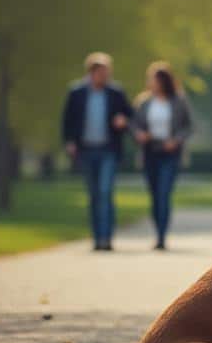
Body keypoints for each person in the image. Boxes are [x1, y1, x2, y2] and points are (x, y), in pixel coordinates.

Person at [62, 52, 134, 251]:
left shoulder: (116, 93)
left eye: (107, 72)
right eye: (102, 72)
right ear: (92, 73)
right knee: (94, 194)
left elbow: (130, 117)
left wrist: (123, 121)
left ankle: (106, 238)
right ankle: (97, 237)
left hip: (108, 150)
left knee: (105, 191)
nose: (106, 76)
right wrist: (69, 141)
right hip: (86, 149)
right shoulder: (76, 93)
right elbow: (67, 120)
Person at [131, 61, 194, 250]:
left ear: (163, 81)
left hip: (170, 153)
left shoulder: (179, 101)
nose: (151, 83)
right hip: (150, 151)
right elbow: (133, 124)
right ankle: (158, 228)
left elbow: (188, 126)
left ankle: (161, 236)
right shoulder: (143, 102)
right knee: (154, 194)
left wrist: (176, 140)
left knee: (164, 193)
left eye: (154, 80)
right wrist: (139, 134)